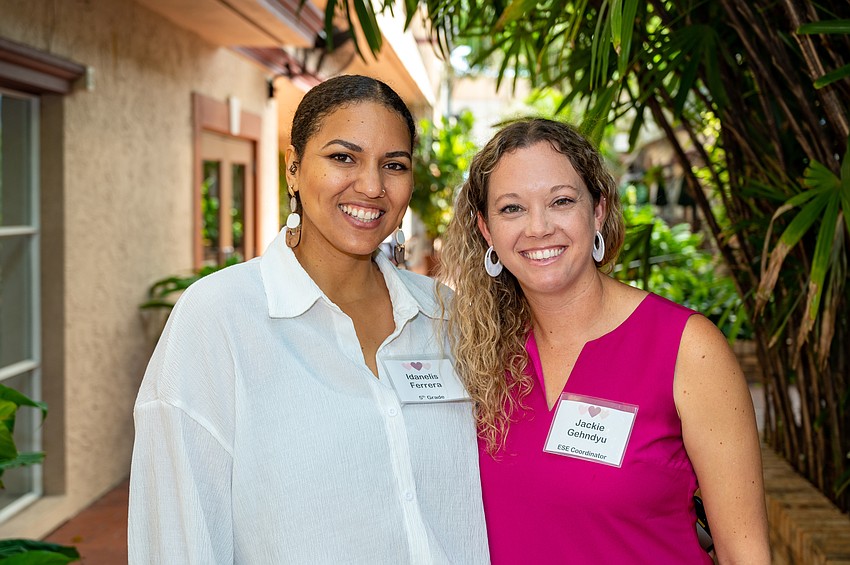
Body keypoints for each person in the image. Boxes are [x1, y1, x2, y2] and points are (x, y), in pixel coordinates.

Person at [129, 75, 490, 564]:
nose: (371, 186)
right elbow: (178, 535)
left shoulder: (445, 316)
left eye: (394, 165)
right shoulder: (219, 317)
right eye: (343, 157)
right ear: (293, 169)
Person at [439, 117, 770, 563]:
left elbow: (744, 553)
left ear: (597, 210)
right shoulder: (476, 351)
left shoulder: (687, 349)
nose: (538, 228)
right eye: (512, 208)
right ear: (485, 229)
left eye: (560, 201)